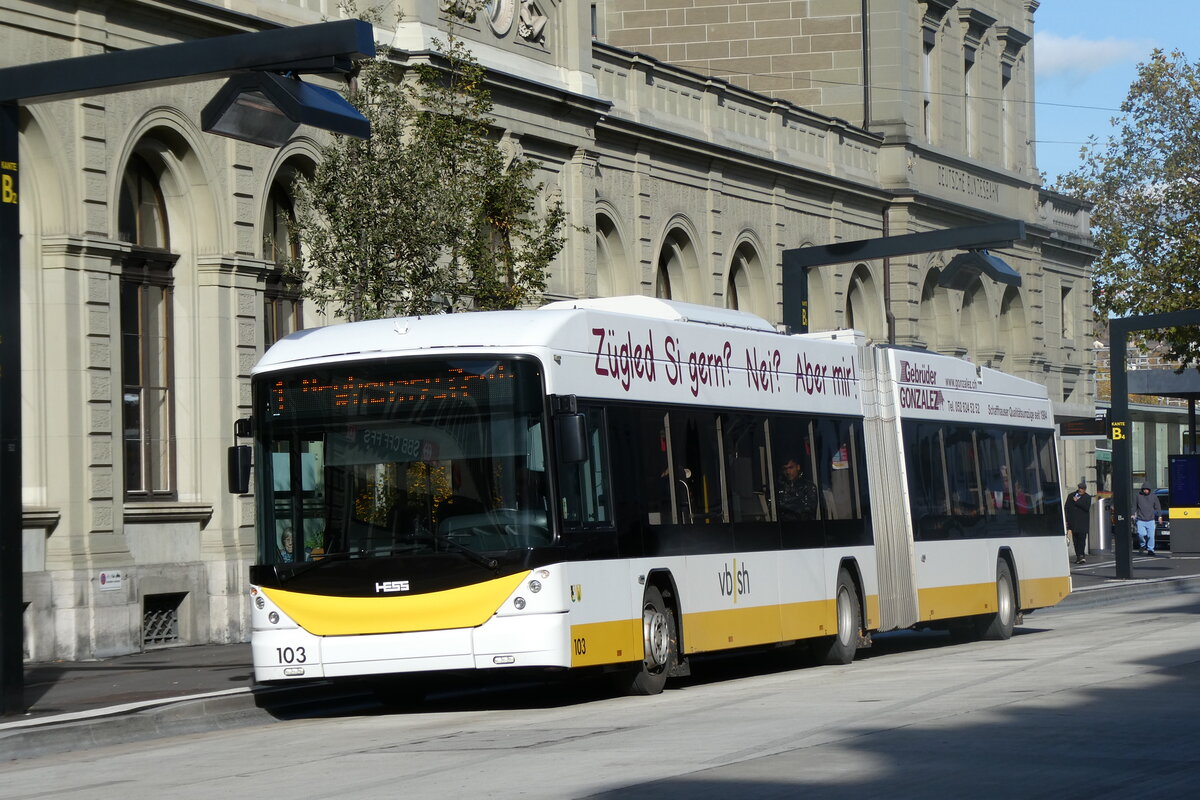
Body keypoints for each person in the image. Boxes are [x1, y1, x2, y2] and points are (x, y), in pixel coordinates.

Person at [776, 457, 818, 521]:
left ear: (798, 467)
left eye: (791, 468)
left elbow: (808, 511)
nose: (788, 472)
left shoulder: (808, 486)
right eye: (785, 469)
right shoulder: (780, 488)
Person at [1064, 480, 1092, 564]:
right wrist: (1066, 519)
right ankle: (1078, 556)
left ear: (1085, 490)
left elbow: (1086, 508)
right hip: (1073, 522)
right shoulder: (1071, 496)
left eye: (1082, 489)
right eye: (1080, 488)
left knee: (1082, 540)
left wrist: (1077, 501)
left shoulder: (1087, 497)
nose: (1081, 490)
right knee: (1075, 540)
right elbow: (1066, 508)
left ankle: (1082, 555)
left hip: (1082, 522)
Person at [1134, 482, 1164, 556]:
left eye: (1147, 489)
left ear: (1150, 490)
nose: (1146, 491)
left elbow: (1158, 507)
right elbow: (1134, 506)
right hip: (1140, 519)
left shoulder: (1154, 496)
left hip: (1151, 520)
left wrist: (1160, 516)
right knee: (1141, 534)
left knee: (1151, 536)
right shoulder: (1138, 496)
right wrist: (1132, 514)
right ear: (1142, 489)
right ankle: (1142, 545)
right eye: (1144, 489)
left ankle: (1150, 550)